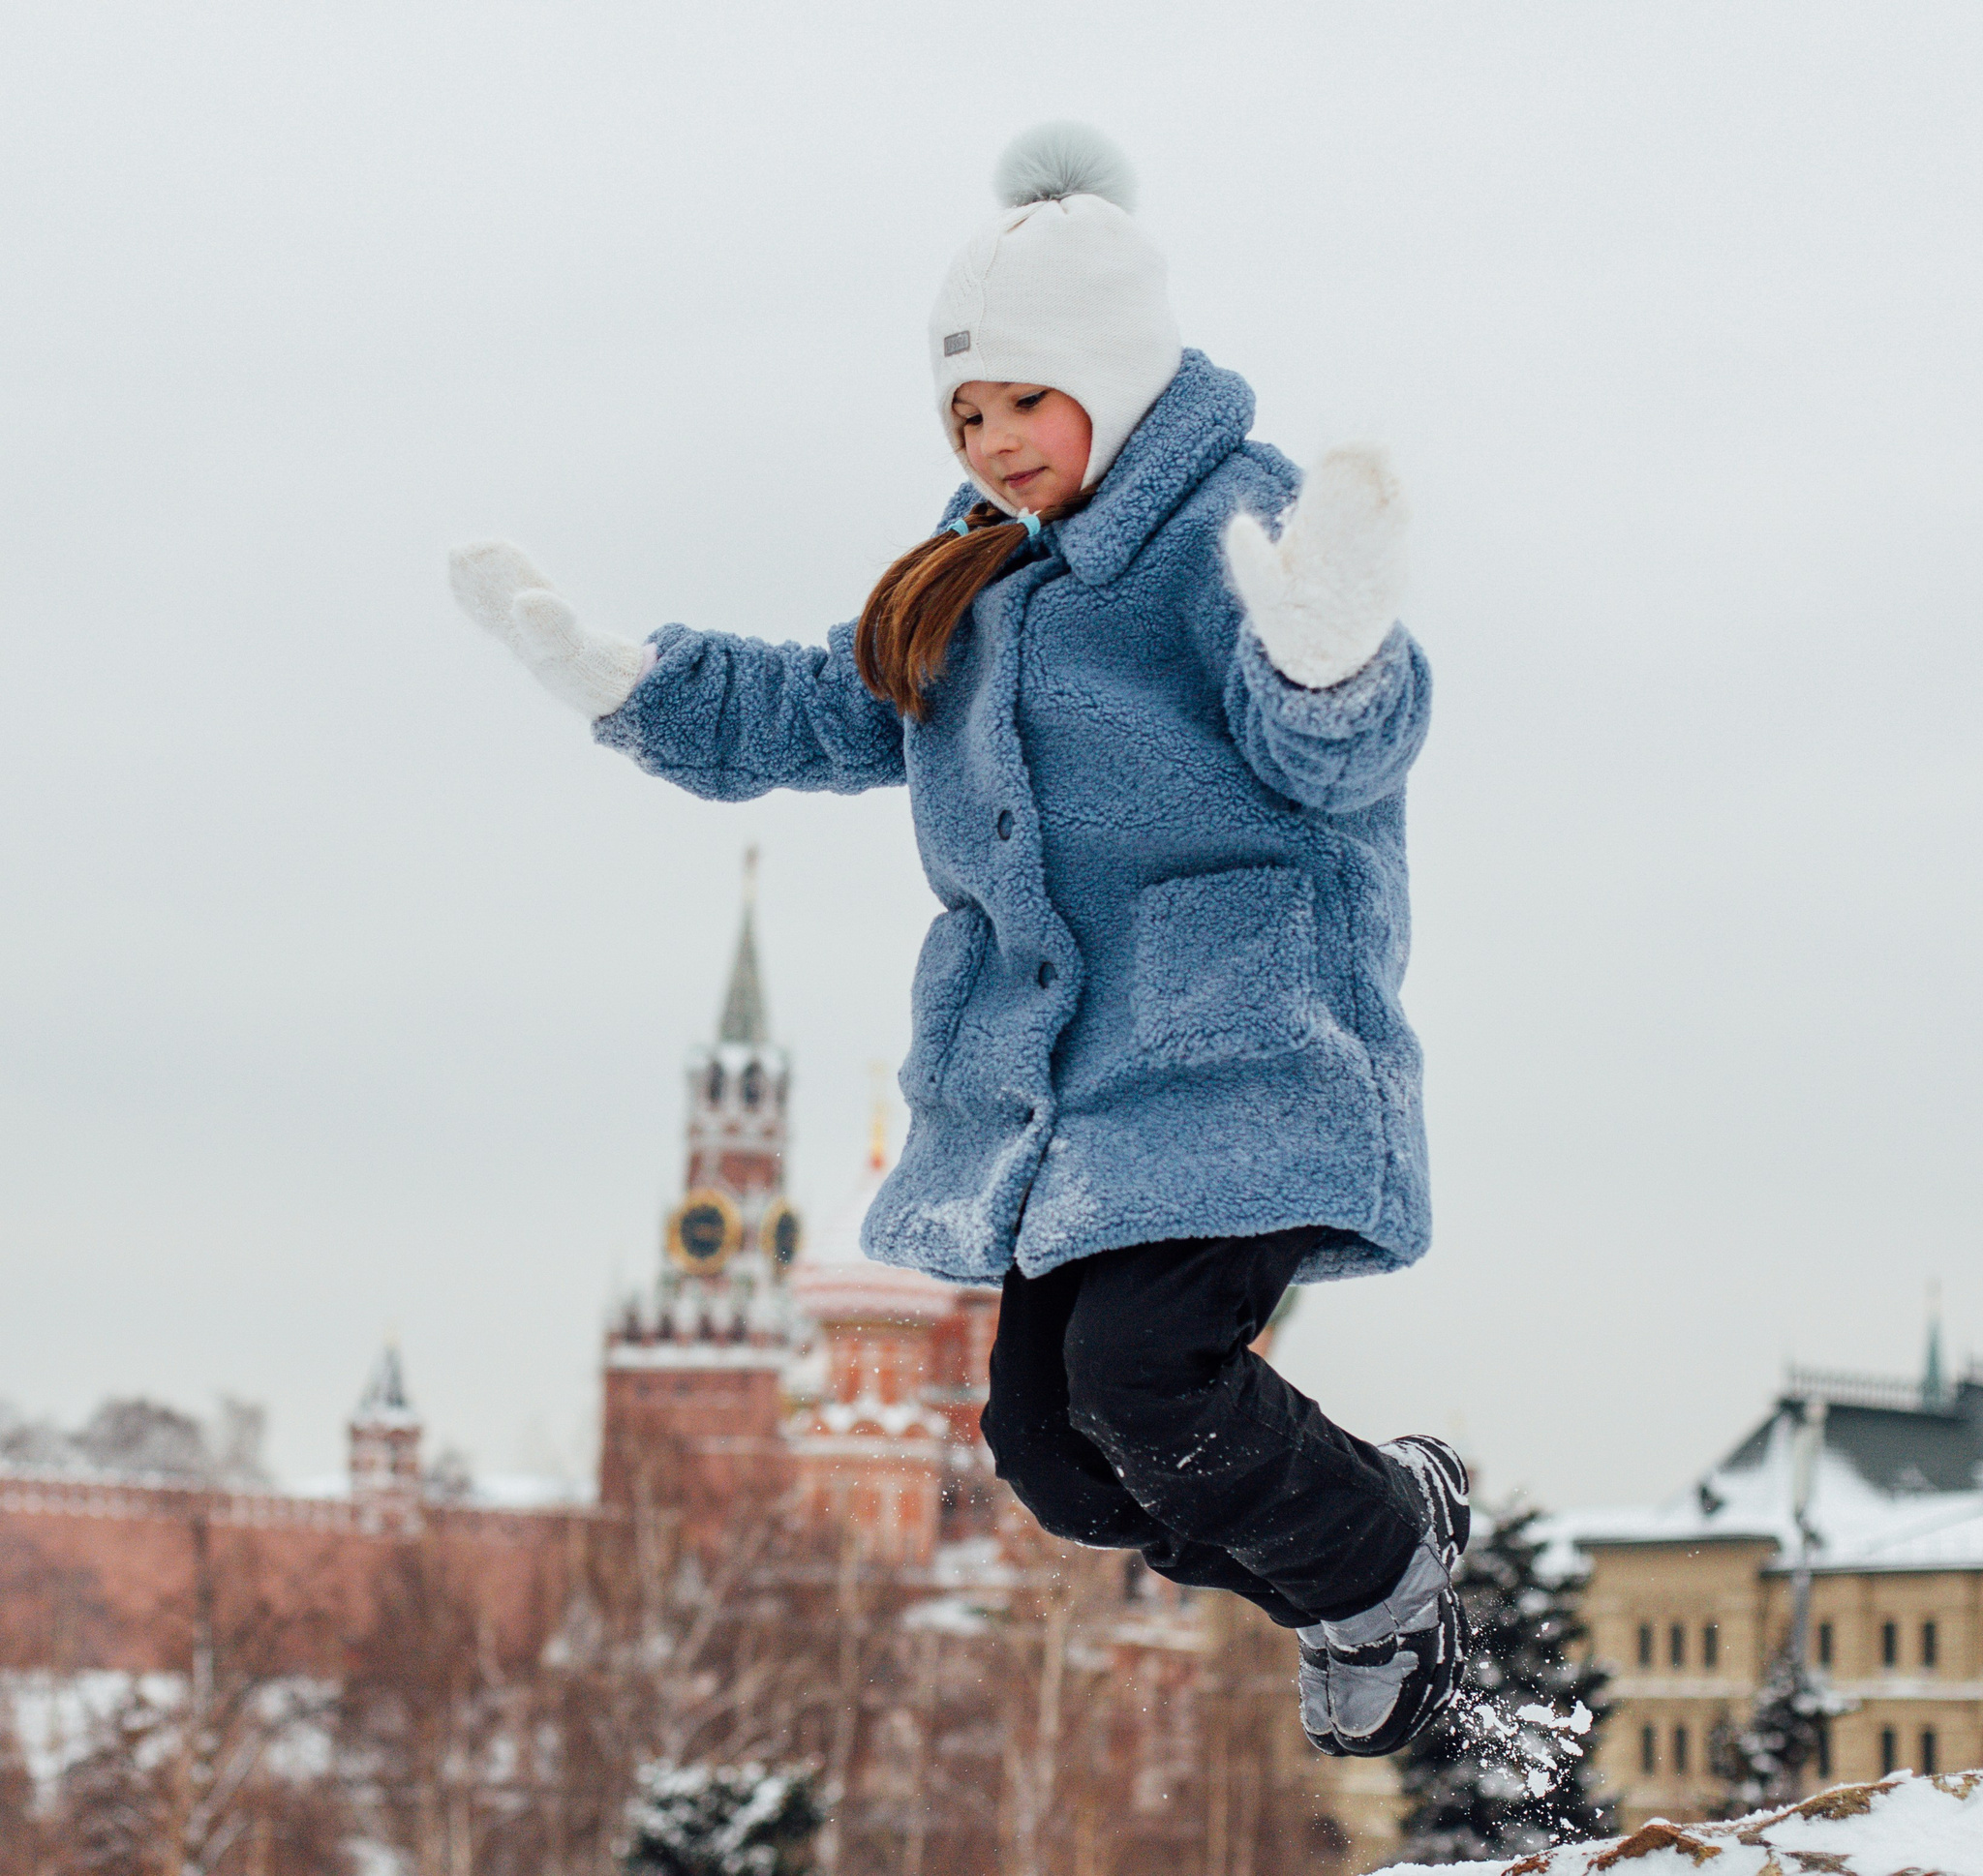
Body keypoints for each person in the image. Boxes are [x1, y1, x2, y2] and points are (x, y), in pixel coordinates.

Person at [445, 123, 1464, 1757]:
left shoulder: (1229, 524)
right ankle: (1375, 1530)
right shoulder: (969, 581)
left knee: (1149, 1379)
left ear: (1118, 387)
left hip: (1245, 1059)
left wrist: (1335, 653)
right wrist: (629, 685)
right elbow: (820, 702)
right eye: (965, 414)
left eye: (1023, 405)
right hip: (1071, 1107)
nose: (993, 442)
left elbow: (1336, 749)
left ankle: (1379, 1568)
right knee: (1049, 1453)